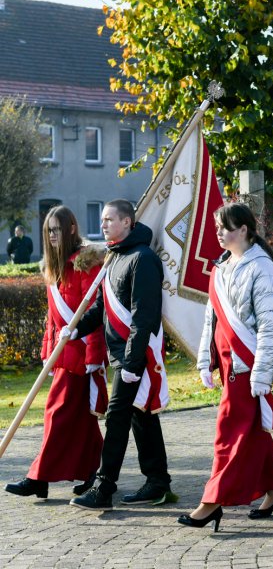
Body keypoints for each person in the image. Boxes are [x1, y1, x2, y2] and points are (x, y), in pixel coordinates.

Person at [177, 202, 273, 532]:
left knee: (230, 436)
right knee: (251, 433)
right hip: (228, 366)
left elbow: (271, 325)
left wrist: (262, 372)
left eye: (225, 227)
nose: (219, 232)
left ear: (244, 229)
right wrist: (204, 360)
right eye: (217, 227)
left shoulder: (263, 268)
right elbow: (212, 321)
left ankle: (210, 504)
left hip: (248, 366)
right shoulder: (222, 267)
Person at [69, 200, 172, 511]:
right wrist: (76, 329)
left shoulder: (143, 258)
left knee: (116, 419)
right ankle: (157, 482)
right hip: (120, 354)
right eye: (102, 220)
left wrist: (131, 361)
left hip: (135, 355)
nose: (103, 225)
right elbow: (102, 307)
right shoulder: (114, 256)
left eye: (109, 219)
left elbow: (144, 316)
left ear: (127, 222)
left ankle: (103, 488)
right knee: (142, 416)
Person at [5, 207, 108, 500]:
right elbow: (53, 318)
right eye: (48, 230)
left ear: (71, 228)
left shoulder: (86, 265)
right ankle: (94, 471)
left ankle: (38, 477)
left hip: (80, 353)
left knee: (57, 414)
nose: (52, 235)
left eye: (57, 229)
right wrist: (47, 352)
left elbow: (94, 313)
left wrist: (93, 358)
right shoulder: (54, 267)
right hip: (62, 353)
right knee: (81, 419)